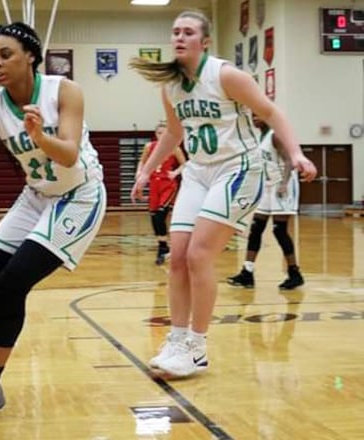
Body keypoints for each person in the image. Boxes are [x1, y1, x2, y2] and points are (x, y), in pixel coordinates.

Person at [129, 9, 317, 379]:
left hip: (239, 168)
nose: (179, 38)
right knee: (178, 257)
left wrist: (295, 153)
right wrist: (146, 170)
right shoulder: (170, 85)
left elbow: (272, 112)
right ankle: (177, 339)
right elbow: (173, 132)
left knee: (199, 255)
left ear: (205, 41)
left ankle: (197, 347)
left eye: (187, 32)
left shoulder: (226, 75)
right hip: (199, 172)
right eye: (175, 32)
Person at [0, 22, 107, 424]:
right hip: (36, 195)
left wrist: (39, 137)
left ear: (30, 55)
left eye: (5, 54)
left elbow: (66, 155)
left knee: (11, 283)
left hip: (78, 194)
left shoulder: (64, 91)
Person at [227, 115, 304, 290]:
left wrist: (284, 184)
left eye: (256, 115)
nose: (253, 119)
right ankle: (247, 272)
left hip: (282, 184)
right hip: (267, 186)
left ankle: (294, 273)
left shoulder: (275, 135)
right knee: (256, 228)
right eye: (251, 116)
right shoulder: (258, 137)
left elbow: (289, 160)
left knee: (279, 230)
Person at [137, 122, 186, 265]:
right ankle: (163, 246)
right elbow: (142, 162)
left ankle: (163, 247)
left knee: (160, 215)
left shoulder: (174, 148)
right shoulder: (149, 147)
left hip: (167, 185)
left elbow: (185, 164)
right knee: (153, 216)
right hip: (154, 184)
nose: (161, 136)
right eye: (159, 133)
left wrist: (175, 172)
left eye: (164, 133)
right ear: (155, 134)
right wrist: (139, 174)